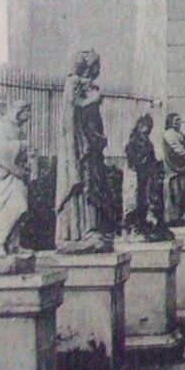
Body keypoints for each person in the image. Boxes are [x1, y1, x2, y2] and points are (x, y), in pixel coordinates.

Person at [56, 49, 109, 251]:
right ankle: (80, 231)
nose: (99, 69)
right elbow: (72, 113)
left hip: (92, 146)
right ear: (88, 65)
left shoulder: (89, 85)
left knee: (95, 186)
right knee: (84, 186)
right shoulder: (73, 83)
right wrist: (93, 100)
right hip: (80, 148)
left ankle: (92, 228)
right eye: (96, 65)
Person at [0, 102, 34, 274]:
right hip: (5, 179)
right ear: (19, 111)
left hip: (16, 177)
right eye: (27, 111)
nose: (29, 115)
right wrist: (22, 146)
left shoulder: (17, 129)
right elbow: (1, 154)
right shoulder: (4, 128)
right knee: (13, 210)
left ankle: (13, 245)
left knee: (19, 211)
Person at [126, 113, 165, 237]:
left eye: (149, 127)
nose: (147, 130)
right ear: (138, 126)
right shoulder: (133, 142)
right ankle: (135, 225)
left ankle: (145, 223)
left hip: (147, 176)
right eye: (145, 126)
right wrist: (141, 163)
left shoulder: (148, 143)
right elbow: (133, 159)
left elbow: (152, 158)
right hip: (137, 175)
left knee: (147, 199)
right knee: (136, 200)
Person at [161, 112, 185, 224]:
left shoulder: (179, 134)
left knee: (183, 191)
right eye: (176, 121)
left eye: (179, 120)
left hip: (182, 166)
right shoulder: (169, 134)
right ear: (170, 122)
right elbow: (177, 148)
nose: (179, 123)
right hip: (174, 167)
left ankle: (181, 215)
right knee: (174, 191)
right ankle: (172, 218)